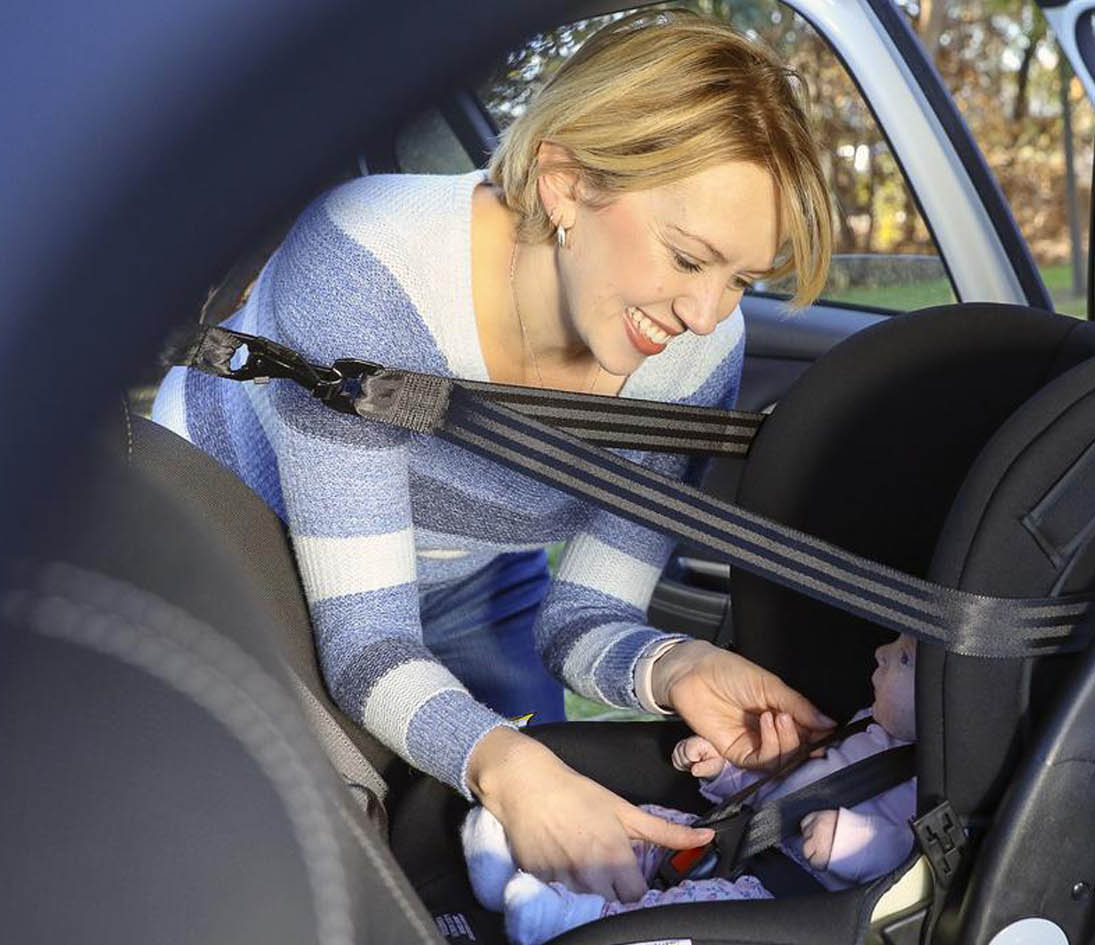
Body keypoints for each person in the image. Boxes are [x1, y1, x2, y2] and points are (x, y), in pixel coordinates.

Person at [151, 8, 837, 902]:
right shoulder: (368, 268)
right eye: (687, 257)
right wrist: (502, 765)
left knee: (516, 851)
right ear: (563, 181)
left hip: (465, 572)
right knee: (323, 861)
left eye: (740, 279)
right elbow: (367, 643)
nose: (708, 314)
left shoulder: (698, 352)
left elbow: (583, 619)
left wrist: (678, 666)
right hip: (237, 540)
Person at [463, 635, 919, 945]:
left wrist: (851, 841)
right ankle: (513, 864)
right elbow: (782, 788)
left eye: (903, 659)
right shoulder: (865, 730)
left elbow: (905, 853)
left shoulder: (925, 784)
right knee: (646, 827)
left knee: (693, 909)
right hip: (735, 836)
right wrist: (724, 772)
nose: (880, 652)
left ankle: (569, 920)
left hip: (782, 896)